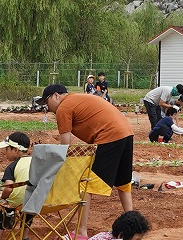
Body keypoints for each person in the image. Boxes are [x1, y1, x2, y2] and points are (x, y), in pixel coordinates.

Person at [42, 81, 138, 218]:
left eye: (47, 102)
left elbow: (65, 147)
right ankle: (131, 221)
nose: (48, 108)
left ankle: (81, 232)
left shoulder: (63, 108)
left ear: (56, 96)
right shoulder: (77, 99)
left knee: (85, 183)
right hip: (126, 132)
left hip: (109, 135)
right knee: (123, 183)